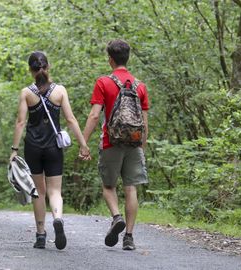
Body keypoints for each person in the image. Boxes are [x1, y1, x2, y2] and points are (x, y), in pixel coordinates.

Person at [10, 51, 90, 250]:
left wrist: (14, 149)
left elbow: (20, 123)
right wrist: (83, 144)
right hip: (54, 147)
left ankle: (40, 235)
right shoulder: (59, 91)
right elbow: (71, 120)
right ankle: (58, 218)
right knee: (55, 190)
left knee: (38, 192)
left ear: (31, 70)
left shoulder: (26, 93)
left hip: (33, 148)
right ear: (48, 67)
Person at [81, 39, 149, 250]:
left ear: (110, 59)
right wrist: (142, 146)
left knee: (108, 186)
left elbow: (94, 116)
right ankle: (128, 237)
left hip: (111, 142)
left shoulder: (103, 82)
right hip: (134, 144)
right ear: (127, 58)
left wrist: (83, 142)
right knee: (131, 188)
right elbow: (144, 122)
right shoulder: (140, 86)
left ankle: (116, 216)